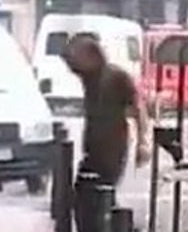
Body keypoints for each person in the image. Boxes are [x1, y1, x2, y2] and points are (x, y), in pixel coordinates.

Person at [62, 34, 151, 187]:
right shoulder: (89, 77)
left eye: (80, 56)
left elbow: (138, 108)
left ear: (93, 56)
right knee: (85, 189)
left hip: (112, 148)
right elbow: (71, 62)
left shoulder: (116, 77)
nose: (75, 64)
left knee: (103, 190)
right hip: (93, 147)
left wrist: (142, 143)